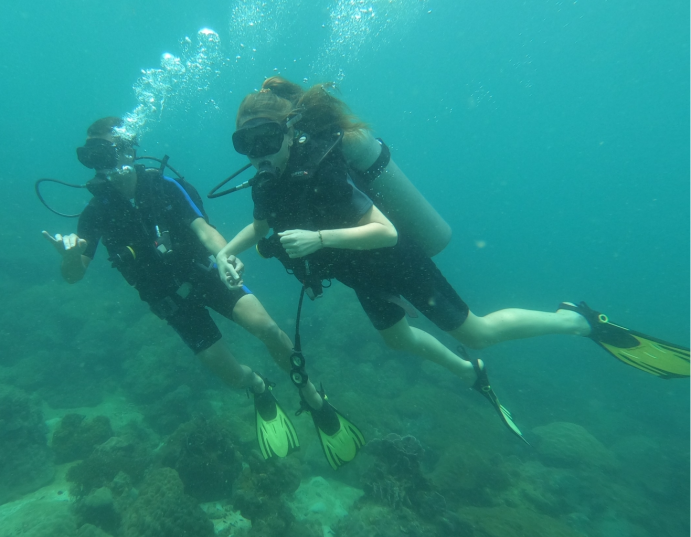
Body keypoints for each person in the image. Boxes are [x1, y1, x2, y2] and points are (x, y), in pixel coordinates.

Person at [215, 77, 691, 458]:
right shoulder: (267, 183)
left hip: (396, 262)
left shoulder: (322, 166)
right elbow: (261, 225)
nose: (258, 153)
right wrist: (226, 253)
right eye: (245, 144)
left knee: (477, 331)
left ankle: (580, 321)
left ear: (290, 130)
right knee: (397, 340)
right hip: (358, 273)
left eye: (267, 138)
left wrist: (319, 239)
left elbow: (386, 231)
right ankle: (471, 373)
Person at [43, 117, 324, 461]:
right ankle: (258, 386)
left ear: (129, 150)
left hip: (206, 274)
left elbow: (204, 230)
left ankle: (310, 394)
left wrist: (225, 256)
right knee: (228, 374)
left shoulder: (166, 187)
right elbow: (74, 276)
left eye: (105, 153)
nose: (100, 165)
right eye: (92, 157)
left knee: (268, 329)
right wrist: (70, 258)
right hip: (169, 301)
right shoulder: (96, 211)